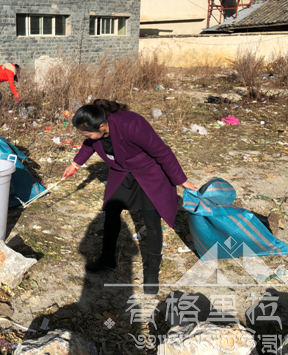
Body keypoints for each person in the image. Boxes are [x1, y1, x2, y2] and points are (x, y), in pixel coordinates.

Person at [63, 99, 196, 295]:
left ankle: (152, 272)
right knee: (111, 212)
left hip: (150, 173)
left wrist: (181, 180)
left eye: (88, 133)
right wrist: (75, 164)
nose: (87, 137)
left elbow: (162, 152)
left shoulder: (131, 124)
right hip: (123, 173)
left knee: (151, 221)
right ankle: (107, 259)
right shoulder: (97, 130)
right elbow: (90, 144)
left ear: (101, 126)